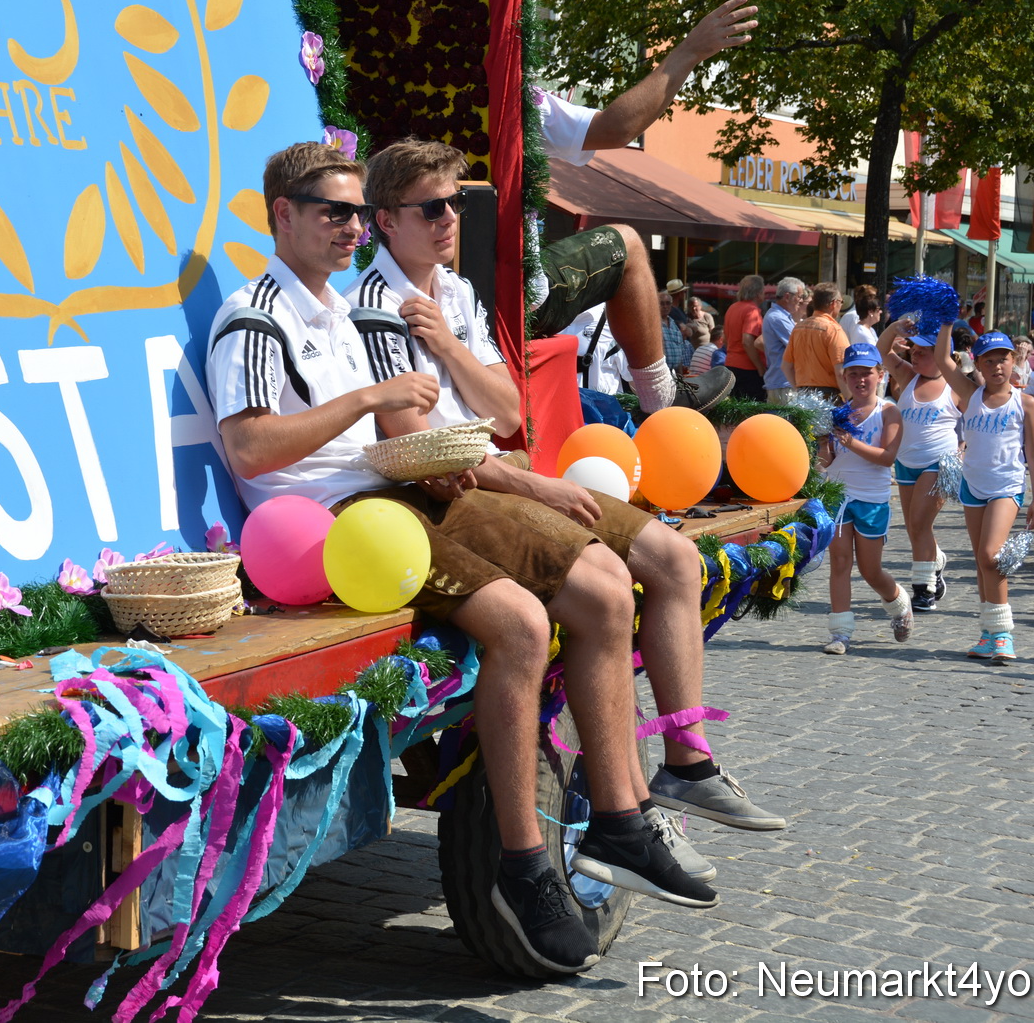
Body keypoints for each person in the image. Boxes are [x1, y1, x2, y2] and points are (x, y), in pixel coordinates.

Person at [210, 142, 712, 976]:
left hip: (399, 493)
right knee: (520, 621)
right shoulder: (256, 313)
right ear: (281, 216)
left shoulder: (338, 309)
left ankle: (625, 810)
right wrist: (373, 402)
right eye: (332, 210)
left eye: (353, 211)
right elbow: (249, 447)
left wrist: (453, 455)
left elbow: (474, 421)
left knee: (603, 591)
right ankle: (523, 869)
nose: (348, 226)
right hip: (339, 524)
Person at [351, 139, 785, 846]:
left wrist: (454, 351)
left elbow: (508, 411)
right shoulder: (374, 302)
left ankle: (687, 760)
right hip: (452, 493)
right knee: (603, 587)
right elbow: (423, 451)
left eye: (455, 203)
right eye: (431, 207)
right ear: (385, 221)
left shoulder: (454, 293)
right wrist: (533, 482)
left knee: (676, 561)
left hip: (497, 470)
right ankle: (615, 815)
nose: (449, 218)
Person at [533, 0, 758, 413]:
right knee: (629, 245)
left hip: (440, 284)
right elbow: (617, 127)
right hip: (516, 290)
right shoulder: (518, 98)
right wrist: (690, 50)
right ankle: (663, 397)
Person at [932, 325, 1034, 664]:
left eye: (1004, 360)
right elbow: (941, 358)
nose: (997, 367)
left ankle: (1003, 634)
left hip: (1006, 487)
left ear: (1015, 361)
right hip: (973, 486)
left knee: (991, 556)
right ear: (978, 365)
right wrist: (947, 324)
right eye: (990, 361)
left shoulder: (1025, 403)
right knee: (982, 561)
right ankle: (987, 632)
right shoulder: (969, 394)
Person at [818, 344, 912, 654]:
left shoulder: (889, 411)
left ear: (880, 375)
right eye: (853, 374)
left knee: (871, 571)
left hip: (872, 499)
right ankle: (840, 633)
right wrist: (822, 440)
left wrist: (850, 442)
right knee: (840, 562)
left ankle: (898, 602)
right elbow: (828, 461)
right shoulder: (837, 413)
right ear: (844, 378)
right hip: (838, 496)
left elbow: (887, 457)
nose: (860, 380)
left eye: (866, 374)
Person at [877, 318, 958, 611]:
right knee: (914, 527)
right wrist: (896, 326)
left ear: (940, 354)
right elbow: (882, 349)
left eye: (924, 351)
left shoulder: (955, 383)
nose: (915, 354)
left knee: (920, 523)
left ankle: (923, 588)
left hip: (938, 461)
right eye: (914, 349)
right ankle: (934, 560)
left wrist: (965, 450)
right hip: (906, 462)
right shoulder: (908, 376)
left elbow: (978, 417)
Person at [784, 281, 849, 397]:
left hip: (803, 395)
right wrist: (851, 400)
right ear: (833, 303)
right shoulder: (834, 330)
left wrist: (799, 390)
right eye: (841, 302)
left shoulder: (798, 328)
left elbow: (786, 366)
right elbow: (841, 372)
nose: (841, 305)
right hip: (828, 396)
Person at [763, 277, 808, 404]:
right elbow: (801, 346)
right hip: (783, 384)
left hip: (782, 383)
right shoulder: (778, 318)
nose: (801, 300)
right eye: (799, 296)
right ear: (787, 296)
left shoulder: (781, 316)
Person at [725, 275, 769, 401]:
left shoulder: (732, 308)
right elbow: (747, 341)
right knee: (753, 412)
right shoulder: (752, 311)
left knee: (736, 410)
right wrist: (760, 367)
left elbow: (726, 339)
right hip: (748, 369)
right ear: (758, 293)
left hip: (731, 365)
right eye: (763, 290)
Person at [659, 290, 693, 371]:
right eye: (662, 303)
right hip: (660, 373)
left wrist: (680, 376)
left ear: (671, 305)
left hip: (674, 373)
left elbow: (679, 353)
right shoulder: (653, 325)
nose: (665, 306)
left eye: (668, 303)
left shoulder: (674, 325)